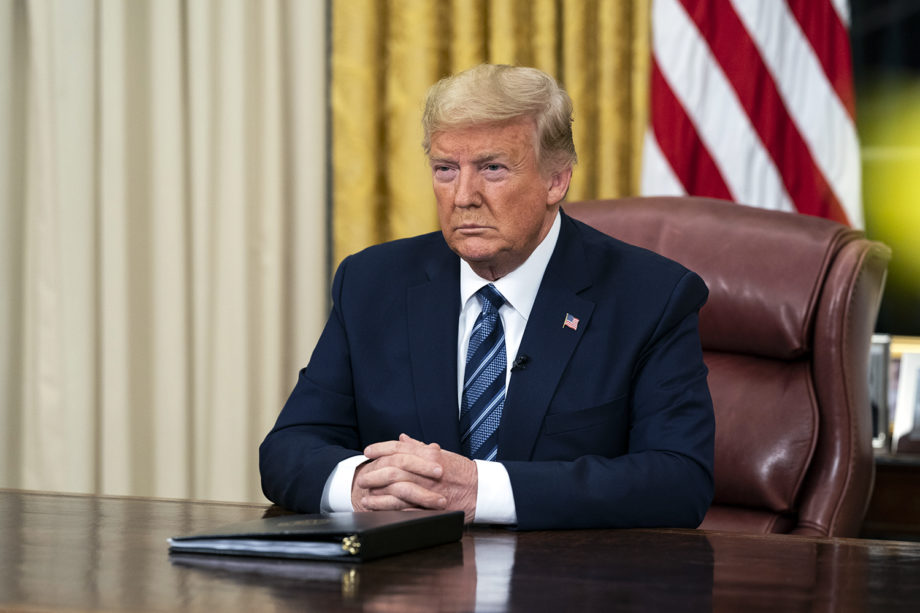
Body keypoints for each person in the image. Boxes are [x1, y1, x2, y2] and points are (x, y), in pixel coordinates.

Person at [259, 64, 714, 530]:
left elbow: (678, 481)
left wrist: (481, 490)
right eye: (445, 170)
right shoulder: (373, 283)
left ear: (556, 180)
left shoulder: (651, 296)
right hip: (404, 588)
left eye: (492, 168)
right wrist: (361, 484)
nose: (463, 196)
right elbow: (289, 449)